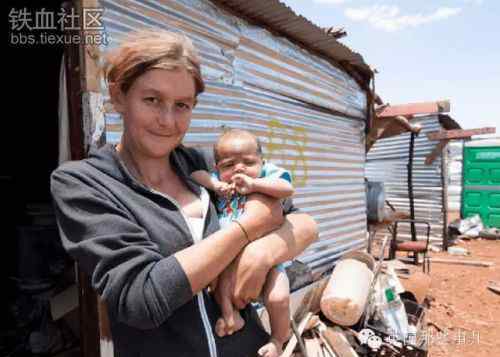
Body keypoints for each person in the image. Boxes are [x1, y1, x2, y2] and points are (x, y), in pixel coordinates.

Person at [50, 28, 317, 357]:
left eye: (182, 105)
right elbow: (142, 298)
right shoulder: (85, 183)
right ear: (119, 96)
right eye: (152, 100)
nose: (167, 120)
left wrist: (260, 255)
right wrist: (246, 229)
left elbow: (303, 223)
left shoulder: (204, 166)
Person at [191, 129, 294, 357]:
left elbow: (287, 187)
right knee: (218, 285)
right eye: (229, 165)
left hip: (267, 256)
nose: (239, 169)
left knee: (279, 298)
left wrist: (256, 185)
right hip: (229, 257)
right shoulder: (220, 183)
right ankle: (230, 317)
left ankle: (277, 340)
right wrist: (215, 184)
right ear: (217, 169)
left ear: (262, 162)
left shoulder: (266, 175)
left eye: (248, 162)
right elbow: (195, 175)